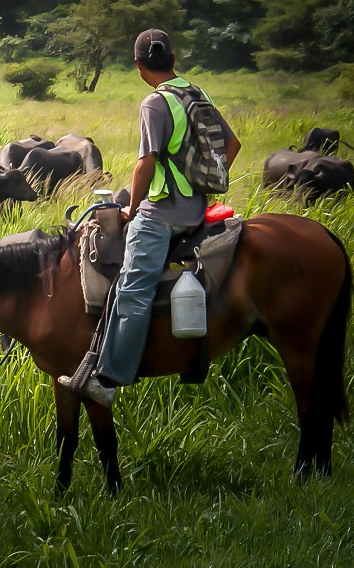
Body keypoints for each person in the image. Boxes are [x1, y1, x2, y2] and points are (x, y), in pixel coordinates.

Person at [73, 28, 241, 406]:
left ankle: (108, 379)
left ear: (138, 66)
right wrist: (205, 183)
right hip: (197, 209)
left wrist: (133, 208)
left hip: (161, 212)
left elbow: (145, 164)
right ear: (174, 60)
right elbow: (232, 145)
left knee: (132, 289)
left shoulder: (155, 103)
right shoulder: (198, 93)